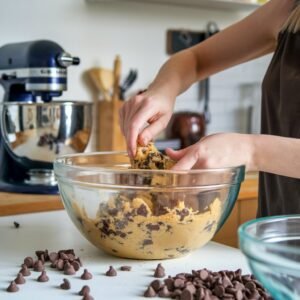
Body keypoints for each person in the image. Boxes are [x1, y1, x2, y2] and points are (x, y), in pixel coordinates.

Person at [119, 0, 300, 217]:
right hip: (272, 239)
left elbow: (253, 151)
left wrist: (252, 150)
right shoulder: (289, 9)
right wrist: (163, 90)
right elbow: (194, 59)